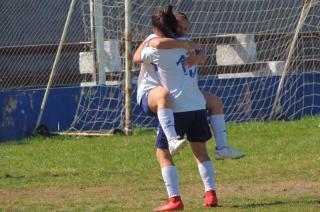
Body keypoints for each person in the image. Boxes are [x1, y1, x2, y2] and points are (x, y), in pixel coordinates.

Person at [135, 5, 218, 210]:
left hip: (176, 105)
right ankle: (211, 193)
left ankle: (175, 199)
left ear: (157, 29)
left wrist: (153, 40)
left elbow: (137, 57)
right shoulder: (186, 46)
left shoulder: (157, 47)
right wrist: (192, 48)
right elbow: (198, 52)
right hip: (192, 104)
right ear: (176, 27)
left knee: (163, 152)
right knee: (200, 150)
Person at [134, 11, 245, 160]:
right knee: (164, 98)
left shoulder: (184, 42)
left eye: (186, 29)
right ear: (171, 26)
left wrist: (199, 57)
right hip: (152, 91)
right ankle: (172, 139)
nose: (184, 32)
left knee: (215, 101)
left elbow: (199, 50)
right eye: (180, 27)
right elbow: (144, 51)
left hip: (177, 91)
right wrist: (184, 45)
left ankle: (222, 147)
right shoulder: (157, 39)